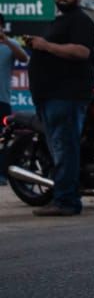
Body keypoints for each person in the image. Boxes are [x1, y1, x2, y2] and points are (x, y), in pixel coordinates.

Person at [26, 0, 94, 216]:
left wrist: (45, 46)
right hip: (49, 97)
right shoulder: (59, 21)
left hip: (66, 96)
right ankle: (64, 197)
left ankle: (66, 201)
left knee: (65, 150)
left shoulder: (80, 21)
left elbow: (82, 51)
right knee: (60, 150)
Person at [0, 14, 29, 184]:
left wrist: (6, 41)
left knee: (3, 140)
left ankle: (2, 174)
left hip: (2, 100)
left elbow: (23, 58)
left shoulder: (10, 45)